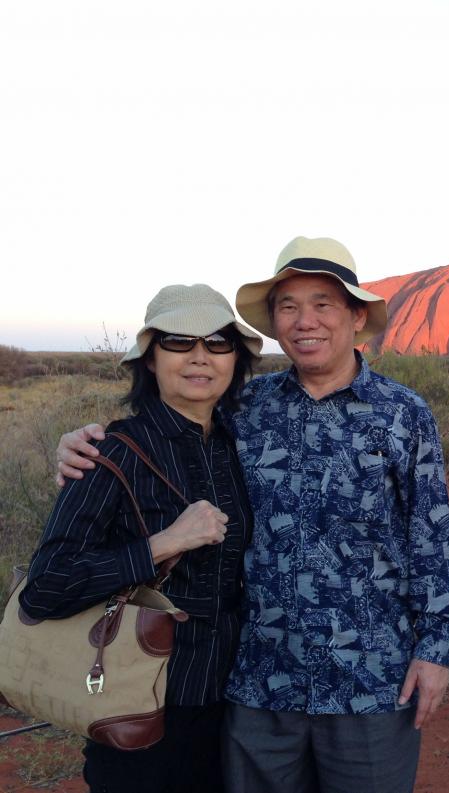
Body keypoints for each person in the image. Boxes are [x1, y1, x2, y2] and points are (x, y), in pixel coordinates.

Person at [57, 237, 449, 793]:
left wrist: (436, 651)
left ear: (354, 315)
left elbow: (433, 539)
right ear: (273, 322)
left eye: (323, 303)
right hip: (257, 681)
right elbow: (169, 433)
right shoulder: (245, 409)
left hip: (372, 679)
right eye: (288, 306)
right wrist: (83, 445)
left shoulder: (403, 415)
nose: (306, 321)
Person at [25, 284, 262, 792]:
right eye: (179, 342)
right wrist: (163, 543)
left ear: (234, 359)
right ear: (150, 359)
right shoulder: (112, 454)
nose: (201, 357)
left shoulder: (237, 442)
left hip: (231, 702)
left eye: (219, 343)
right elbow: (47, 585)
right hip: (140, 708)